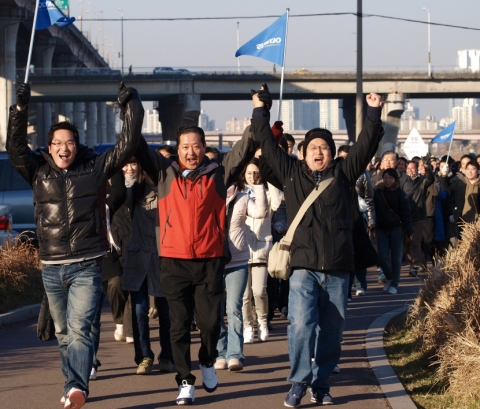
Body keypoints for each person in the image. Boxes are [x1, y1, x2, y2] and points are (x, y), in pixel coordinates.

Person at [7, 81, 144, 409]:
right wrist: (19, 110)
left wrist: (132, 106)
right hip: (52, 267)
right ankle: (73, 386)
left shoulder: (94, 168)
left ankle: (76, 386)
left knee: (81, 329)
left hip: (86, 264)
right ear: (49, 147)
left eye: (69, 142)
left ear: (76, 145)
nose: (64, 148)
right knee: (64, 333)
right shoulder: (37, 171)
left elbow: (126, 144)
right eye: (57, 143)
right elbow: (15, 148)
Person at [249, 83, 384, 407]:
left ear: (332, 152)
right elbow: (265, 142)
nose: (318, 152)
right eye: (313, 148)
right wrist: (260, 108)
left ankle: (321, 384)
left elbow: (366, 145)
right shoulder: (291, 172)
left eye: (324, 147)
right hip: (303, 267)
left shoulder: (343, 173)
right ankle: (298, 381)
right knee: (300, 324)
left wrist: (374, 112)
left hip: (338, 268)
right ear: (304, 152)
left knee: (332, 333)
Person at [134, 120, 255, 405]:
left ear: (204, 148)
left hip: (209, 260)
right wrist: (132, 109)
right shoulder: (164, 172)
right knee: (178, 325)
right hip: (174, 261)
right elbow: (137, 145)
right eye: (185, 147)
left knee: (211, 323)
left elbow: (245, 148)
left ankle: (208, 360)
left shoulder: (218, 173)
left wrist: (258, 113)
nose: (191, 152)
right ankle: (185, 381)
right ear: (177, 150)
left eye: (196, 146)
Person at [120, 157, 174, 375]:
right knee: (140, 309)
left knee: (166, 311)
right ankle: (144, 356)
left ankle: (168, 356)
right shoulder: (136, 191)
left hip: (164, 257)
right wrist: (130, 175)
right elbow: (124, 198)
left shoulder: (169, 191)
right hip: (139, 256)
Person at [214, 170, 268, 372]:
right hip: (213, 260)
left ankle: (235, 354)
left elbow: (261, 213)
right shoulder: (210, 196)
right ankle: (220, 352)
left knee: (233, 308)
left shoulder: (243, 197)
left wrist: (258, 185)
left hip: (237, 260)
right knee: (216, 310)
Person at [241, 158, 282, 343]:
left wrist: (269, 179)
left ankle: (263, 321)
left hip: (262, 247)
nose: (252, 177)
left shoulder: (267, 192)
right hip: (241, 248)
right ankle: (248, 326)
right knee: (244, 295)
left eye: (256, 173)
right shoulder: (239, 193)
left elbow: (277, 204)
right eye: (249, 173)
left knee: (259, 291)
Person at [374, 168, 413, 295]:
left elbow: (406, 214)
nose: (387, 180)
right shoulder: (378, 193)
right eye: (385, 177)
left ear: (395, 179)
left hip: (397, 229)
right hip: (382, 229)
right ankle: (389, 277)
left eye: (390, 178)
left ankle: (394, 284)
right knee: (382, 257)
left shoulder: (401, 194)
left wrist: (409, 231)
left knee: (396, 258)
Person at [405, 159, 434, 276]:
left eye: (413, 168)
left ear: (417, 169)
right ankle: (413, 261)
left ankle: (414, 266)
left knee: (415, 242)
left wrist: (427, 168)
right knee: (406, 243)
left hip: (418, 217)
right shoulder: (402, 181)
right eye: (408, 168)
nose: (410, 170)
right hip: (405, 217)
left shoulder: (422, 181)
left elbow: (430, 179)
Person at [439, 159, 480, 239]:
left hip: (477, 223)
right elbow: (446, 190)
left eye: (473, 169)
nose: (470, 172)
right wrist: (444, 176)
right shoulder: (460, 183)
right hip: (462, 221)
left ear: (478, 171)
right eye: (468, 169)